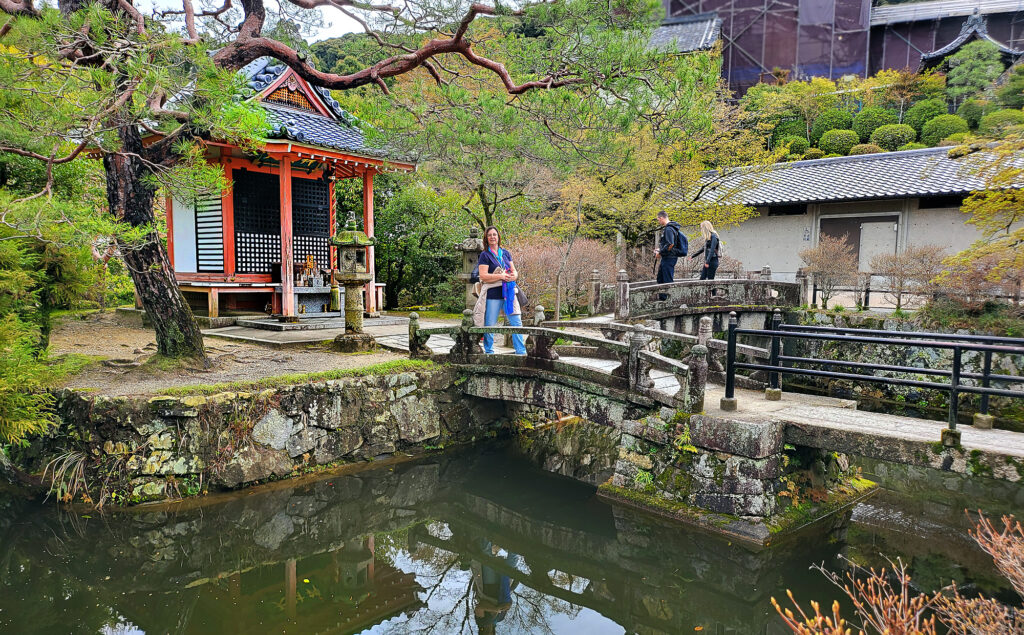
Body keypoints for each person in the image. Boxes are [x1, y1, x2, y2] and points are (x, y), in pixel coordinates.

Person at [474, 226, 527, 355]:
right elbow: (483, 276)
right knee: (490, 324)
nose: (493, 237)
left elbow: (514, 270)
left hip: (508, 291)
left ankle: (521, 351)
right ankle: (489, 352)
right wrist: (501, 276)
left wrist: (514, 275)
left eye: (495, 234)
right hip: (493, 294)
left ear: (498, 237)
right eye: (490, 235)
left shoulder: (505, 253)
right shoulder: (485, 255)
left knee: (516, 321)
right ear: (486, 238)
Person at [653, 211, 687, 291]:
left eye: (658, 220)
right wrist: (660, 249)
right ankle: (662, 299)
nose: (658, 222)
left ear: (661, 218)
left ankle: (668, 300)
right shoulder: (672, 228)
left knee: (667, 280)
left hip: (669, 257)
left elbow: (670, 244)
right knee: (661, 279)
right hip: (668, 257)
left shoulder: (669, 229)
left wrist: (660, 253)